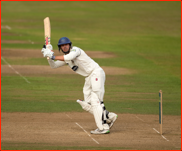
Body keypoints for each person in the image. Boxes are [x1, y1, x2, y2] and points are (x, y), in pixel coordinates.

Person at [41, 37, 118, 134]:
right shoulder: (66, 58)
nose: (65, 47)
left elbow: (68, 57)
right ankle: (109, 116)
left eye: (66, 45)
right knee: (88, 103)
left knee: (95, 100)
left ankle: (103, 127)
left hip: (96, 73)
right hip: (88, 77)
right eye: (62, 46)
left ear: (70, 45)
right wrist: (49, 55)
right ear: (60, 48)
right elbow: (53, 66)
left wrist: (52, 56)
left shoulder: (76, 50)